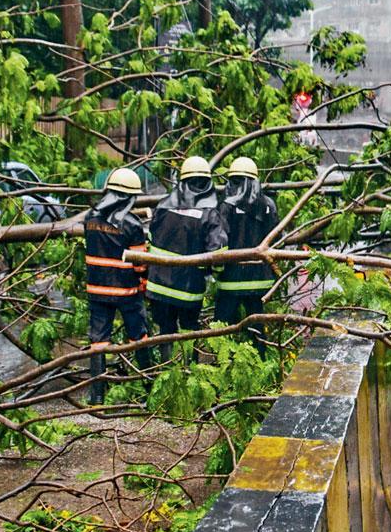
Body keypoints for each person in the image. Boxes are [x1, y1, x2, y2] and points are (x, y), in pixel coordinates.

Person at [146, 156, 227, 362]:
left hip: (158, 285)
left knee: (166, 331)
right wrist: (215, 275)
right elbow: (218, 252)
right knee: (189, 330)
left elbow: (151, 237)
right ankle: (189, 370)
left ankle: (167, 370)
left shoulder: (163, 205)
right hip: (188, 289)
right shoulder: (209, 213)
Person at [83, 168, 151, 404]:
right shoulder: (132, 224)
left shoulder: (89, 219)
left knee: (98, 341)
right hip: (127, 292)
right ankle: (148, 387)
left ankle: (97, 397)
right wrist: (144, 285)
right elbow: (140, 264)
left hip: (97, 290)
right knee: (139, 336)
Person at [215, 157, 278, 354]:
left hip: (230, 281)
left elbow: (219, 241)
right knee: (257, 327)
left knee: (221, 329)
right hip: (259, 280)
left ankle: (221, 363)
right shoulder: (269, 205)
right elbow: (277, 239)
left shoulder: (226, 206)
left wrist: (215, 270)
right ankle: (261, 362)